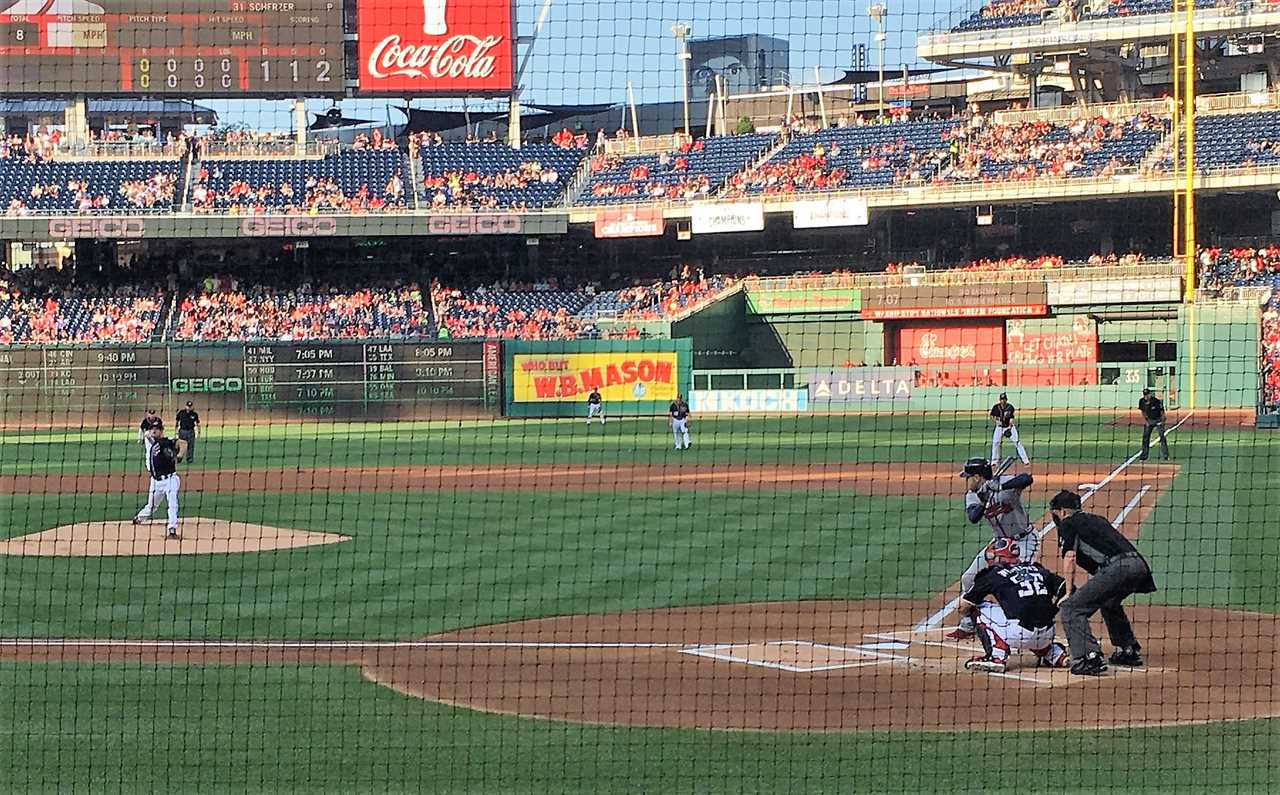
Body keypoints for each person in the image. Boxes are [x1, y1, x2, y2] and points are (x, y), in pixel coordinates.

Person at [1049, 490, 1157, 676]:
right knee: (1109, 601)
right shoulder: (1097, 519)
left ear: (1063, 511)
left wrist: (1068, 591)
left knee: (1071, 608)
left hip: (1119, 569)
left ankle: (1088, 658)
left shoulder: (1068, 523)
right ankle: (1127, 649)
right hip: (1139, 565)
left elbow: (1070, 557)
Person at [946, 457, 1039, 640]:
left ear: (978, 477)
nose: (967, 481)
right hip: (1000, 543)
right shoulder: (973, 494)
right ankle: (968, 624)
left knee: (1019, 581)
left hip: (1024, 541)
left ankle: (1028, 625)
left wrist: (999, 488)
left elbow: (1026, 478)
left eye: (969, 477)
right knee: (969, 578)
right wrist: (984, 500)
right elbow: (973, 517)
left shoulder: (1004, 483)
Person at [954, 538, 1070, 673]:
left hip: (1019, 634)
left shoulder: (993, 575)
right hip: (1048, 634)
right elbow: (1068, 589)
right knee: (1030, 612)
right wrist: (1053, 609)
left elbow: (963, 607)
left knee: (977, 608)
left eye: (992, 556)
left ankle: (996, 656)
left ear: (1000, 557)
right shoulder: (1038, 569)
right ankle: (1053, 653)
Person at [132, 422, 187, 539]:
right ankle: (139, 518)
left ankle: (172, 529)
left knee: (172, 503)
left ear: (162, 431)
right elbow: (147, 436)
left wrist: (180, 455)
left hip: (170, 479)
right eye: (153, 429)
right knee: (151, 506)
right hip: (156, 481)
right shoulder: (150, 441)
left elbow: (183, 443)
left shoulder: (168, 442)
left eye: (157, 429)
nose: (154, 431)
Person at [990, 393, 1030, 464]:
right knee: (995, 443)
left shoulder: (1010, 407)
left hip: (1009, 427)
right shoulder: (996, 407)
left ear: (1006, 399)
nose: (1003, 401)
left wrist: (1009, 428)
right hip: (999, 428)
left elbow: (1011, 418)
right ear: (1000, 400)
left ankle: (1025, 460)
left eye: (1004, 399)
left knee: (1017, 442)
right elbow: (992, 416)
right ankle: (994, 461)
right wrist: (996, 421)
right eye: (1002, 399)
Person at [1137, 387, 1170, 461]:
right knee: (1145, 437)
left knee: (1162, 437)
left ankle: (1166, 455)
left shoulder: (1156, 401)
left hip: (1158, 419)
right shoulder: (1142, 401)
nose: (1146, 396)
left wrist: (1162, 420)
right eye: (1145, 395)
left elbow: (1162, 411)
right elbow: (1143, 412)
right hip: (1149, 420)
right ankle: (1144, 456)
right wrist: (1146, 421)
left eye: (1147, 394)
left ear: (1150, 394)